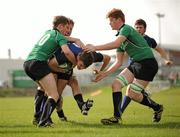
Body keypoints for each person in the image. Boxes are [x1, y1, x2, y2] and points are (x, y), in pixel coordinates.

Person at [84, 8, 164, 125]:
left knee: (132, 94)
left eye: (111, 20)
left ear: (119, 20)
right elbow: (118, 62)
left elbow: (116, 43)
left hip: (147, 64)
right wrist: (104, 74)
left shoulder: (126, 29)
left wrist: (94, 47)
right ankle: (116, 118)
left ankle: (157, 108)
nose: (109, 23)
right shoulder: (120, 37)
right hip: (136, 64)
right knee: (116, 84)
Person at [24, 15, 79, 127]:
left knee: (44, 90)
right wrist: (75, 63)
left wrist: (76, 39)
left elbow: (67, 39)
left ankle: (38, 117)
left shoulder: (48, 32)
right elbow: (67, 52)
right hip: (39, 63)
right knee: (54, 94)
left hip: (27, 64)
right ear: (60, 26)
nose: (67, 30)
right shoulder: (59, 36)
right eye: (66, 27)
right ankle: (44, 121)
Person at [120, 19, 173, 114]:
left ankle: (119, 113)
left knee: (130, 91)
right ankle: (155, 106)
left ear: (145, 29)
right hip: (132, 67)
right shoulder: (130, 38)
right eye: (136, 27)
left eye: (140, 27)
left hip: (144, 68)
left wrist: (166, 60)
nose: (138, 29)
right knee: (131, 91)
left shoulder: (149, 40)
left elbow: (160, 50)